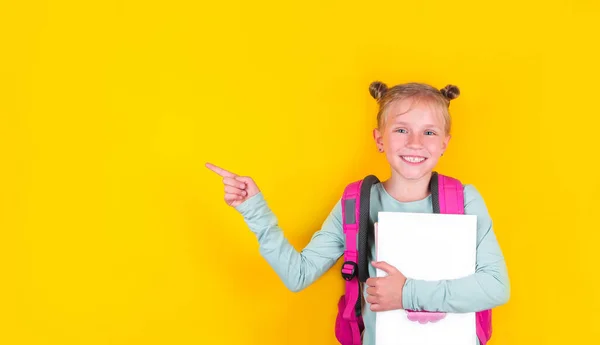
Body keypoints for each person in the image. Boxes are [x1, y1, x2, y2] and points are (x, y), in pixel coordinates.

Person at [205, 80, 510, 345]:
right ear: (379, 139)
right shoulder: (356, 203)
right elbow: (297, 275)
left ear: (444, 144)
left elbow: (496, 287)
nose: (415, 143)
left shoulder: (465, 200)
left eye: (429, 133)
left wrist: (406, 294)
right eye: (401, 129)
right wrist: (254, 209)